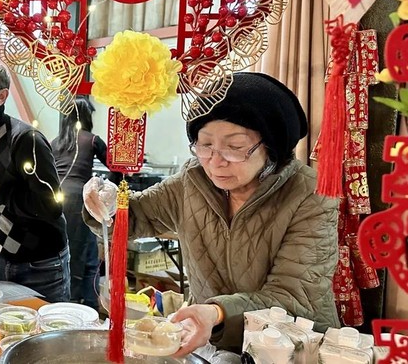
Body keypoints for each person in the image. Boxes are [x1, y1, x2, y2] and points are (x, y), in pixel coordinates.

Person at [84, 72, 340, 356]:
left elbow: (291, 297)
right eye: (205, 145)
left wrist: (216, 313)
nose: (216, 162)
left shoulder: (310, 195)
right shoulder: (191, 181)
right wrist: (104, 202)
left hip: (288, 350)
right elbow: (133, 217)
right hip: (212, 342)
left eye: (235, 147)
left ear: (271, 148)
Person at [0, 57, 70, 302]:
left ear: (1, 96)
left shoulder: (25, 138)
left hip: (40, 265)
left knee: (42, 337)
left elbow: (51, 206)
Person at [51, 97, 117, 310]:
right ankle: (85, 304)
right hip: (80, 198)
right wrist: (109, 190)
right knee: (86, 252)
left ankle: (60, 300)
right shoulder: (92, 139)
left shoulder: (55, 141)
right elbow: (116, 166)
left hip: (54, 197)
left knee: (60, 250)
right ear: (87, 117)